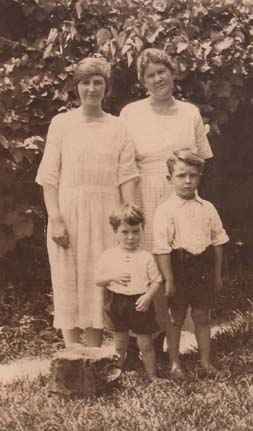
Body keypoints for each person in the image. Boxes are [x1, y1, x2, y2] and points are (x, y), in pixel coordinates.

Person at [36, 57, 139, 348]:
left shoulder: (119, 127)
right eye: (85, 82)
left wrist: (128, 220)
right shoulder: (62, 124)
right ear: (76, 87)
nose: (91, 89)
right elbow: (49, 178)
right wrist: (55, 218)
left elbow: (127, 175)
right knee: (67, 278)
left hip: (108, 214)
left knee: (100, 279)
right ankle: (71, 353)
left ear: (106, 88)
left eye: (98, 82)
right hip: (68, 212)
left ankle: (93, 353)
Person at [120, 47, 213, 354]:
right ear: (142, 81)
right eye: (150, 75)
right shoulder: (131, 113)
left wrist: (191, 198)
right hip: (146, 195)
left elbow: (202, 160)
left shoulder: (190, 112)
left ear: (173, 73)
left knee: (182, 262)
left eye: (162, 71)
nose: (157, 79)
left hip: (183, 196)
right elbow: (125, 165)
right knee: (150, 265)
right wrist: (132, 209)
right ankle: (148, 335)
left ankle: (179, 338)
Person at [153, 149, 229, 377]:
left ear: (200, 177)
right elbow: (162, 249)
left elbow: (218, 242)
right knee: (176, 316)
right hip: (178, 267)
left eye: (193, 175)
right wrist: (169, 280)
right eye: (181, 175)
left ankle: (205, 361)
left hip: (203, 267)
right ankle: (175, 363)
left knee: (201, 315)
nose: (187, 181)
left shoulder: (208, 208)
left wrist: (216, 274)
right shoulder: (165, 210)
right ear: (170, 179)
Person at [95, 204, 162, 381]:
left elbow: (157, 280)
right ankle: (117, 373)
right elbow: (98, 280)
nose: (131, 237)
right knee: (120, 343)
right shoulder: (108, 255)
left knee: (146, 343)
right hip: (117, 303)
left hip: (140, 302)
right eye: (125, 232)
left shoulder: (146, 256)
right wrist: (113, 276)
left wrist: (148, 297)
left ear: (142, 230)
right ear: (115, 231)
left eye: (136, 231)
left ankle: (152, 375)